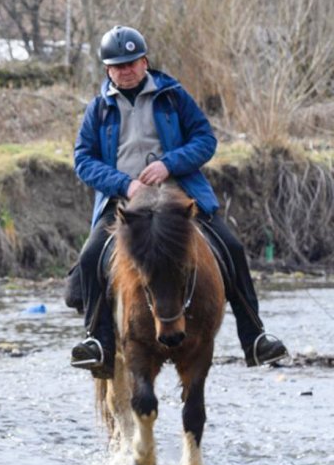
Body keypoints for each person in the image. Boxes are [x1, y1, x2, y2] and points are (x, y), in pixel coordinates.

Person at [70, 25, 287, 378]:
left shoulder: (173, 96)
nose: (126, 70)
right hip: (126, 204)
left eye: (132, 63)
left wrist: (167, 164)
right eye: (118, 65)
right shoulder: (98, 109)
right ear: (108, 70)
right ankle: (99, 343)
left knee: (231, 248)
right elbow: (83, 160)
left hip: (177, 195)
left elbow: (205, 139)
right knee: (90, 257)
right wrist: (125, 184)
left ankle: (255, 338)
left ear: (145, 61)